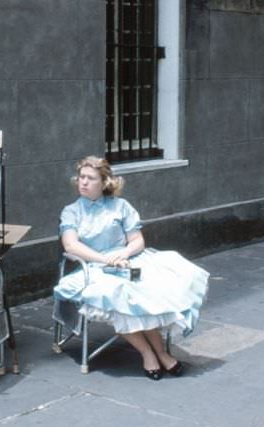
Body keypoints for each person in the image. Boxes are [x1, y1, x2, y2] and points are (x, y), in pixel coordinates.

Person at [54, 156, 209, 380]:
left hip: (127, 260)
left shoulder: (121, 206)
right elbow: (70, 244)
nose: (84, 183)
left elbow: (137, 241)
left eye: (91, 178)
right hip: (93, 267)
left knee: (144, 293)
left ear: (104, 182)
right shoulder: (72, 211)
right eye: (81, 177)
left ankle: (161, 353)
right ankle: (149, 353)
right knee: (120, 296)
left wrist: (124, 253)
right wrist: (105, 260)